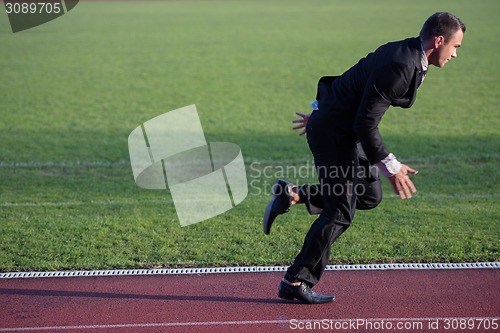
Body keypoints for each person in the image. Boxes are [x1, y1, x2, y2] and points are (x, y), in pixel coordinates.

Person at [263, 12, 466, 304]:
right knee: (340, 211)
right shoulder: (400, 64)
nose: (455, 54)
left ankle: (294, 195)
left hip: (340, 126)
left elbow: (357, 80)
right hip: (336, 134)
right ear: (439, 40)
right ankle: (295, 280)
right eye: (455, 46)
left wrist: (326, 110)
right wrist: (391, 166)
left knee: (369, 195)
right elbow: (365, 123)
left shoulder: (409, 54)